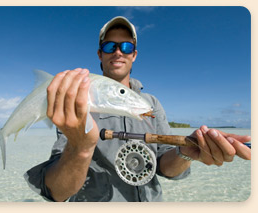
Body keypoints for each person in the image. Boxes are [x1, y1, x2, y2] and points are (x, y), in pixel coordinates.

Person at [24, 16, 251, 202]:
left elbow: (165, 166)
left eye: (126, 46)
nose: (118, 52)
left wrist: (185, 151)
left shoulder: (151, 104)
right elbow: (57, 191)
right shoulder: (76, 104)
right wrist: (82, 149)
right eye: (110, 46)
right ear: (100, 54)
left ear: (134, 54)